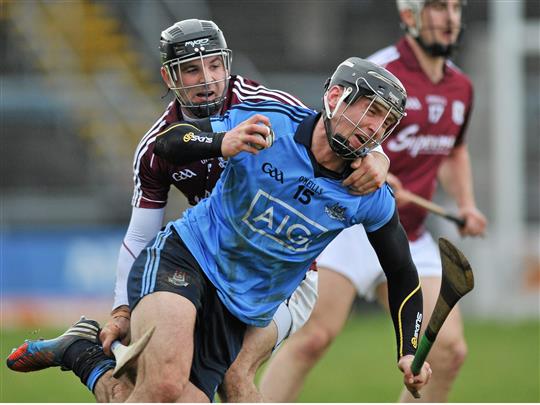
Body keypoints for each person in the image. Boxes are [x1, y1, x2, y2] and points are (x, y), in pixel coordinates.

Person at [6, 19, 390, 402]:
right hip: (206, 265)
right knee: (161, 389)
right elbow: (140, 233)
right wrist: (122, 310)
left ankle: (83, 357)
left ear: (227, 64)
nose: (206, 79)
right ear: (169, 76)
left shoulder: (264, 105)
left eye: (214, 66)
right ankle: (86, 356)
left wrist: (378, 155)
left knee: (236, 376)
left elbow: (334, 129)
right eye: (191, 69)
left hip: (284, 279)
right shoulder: (160, 144)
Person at [109, 55, 430, 402]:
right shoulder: (270, 122)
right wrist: (221, 141)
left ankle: (86, 361)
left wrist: (409, 350)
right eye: (371, 111)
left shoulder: (368, 195)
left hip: (237, 306)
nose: (374, 128)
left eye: (386, 123)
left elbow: (401, 271)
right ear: (335, 98)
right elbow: (168, 141)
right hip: (187, 258)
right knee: (165, 385)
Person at [259, 0, 487, 402]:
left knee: (449, 350)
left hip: (409, 234)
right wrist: (377, 163)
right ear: (409, 15)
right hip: (346, 225)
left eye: (455, 7)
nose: (450, 17)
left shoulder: (461, 88)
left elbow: (453, 151)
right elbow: (333, 130)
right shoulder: (381, 72)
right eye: (437, 7)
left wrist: (466, 204)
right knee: (313, 337)